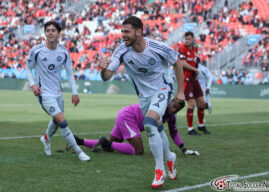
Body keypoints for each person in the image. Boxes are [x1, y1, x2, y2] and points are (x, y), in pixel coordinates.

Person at [100, 16, 185, 188]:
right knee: (158, 128)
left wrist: (181, 91)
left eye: (127, 31)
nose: (123, 35)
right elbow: (107, 77)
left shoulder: (157, 47)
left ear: (138, 32)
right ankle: (169, 157)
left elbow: (178, 63)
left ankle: (159, 170)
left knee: (148, 124)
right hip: (144, 96)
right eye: (122, 31)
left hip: (163, 88)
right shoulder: (121, 51)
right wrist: (103, 68)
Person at [25, 21, 90, 161]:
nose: (50, 32)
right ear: (45, 33)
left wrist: (75, 92)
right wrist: (32, 84)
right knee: (63, 122)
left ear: (58, 33)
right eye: (47, 30)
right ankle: (79, 152)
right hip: (43, 93)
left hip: (58, 92)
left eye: (53, 30)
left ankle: (46, 139)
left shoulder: (63, 52)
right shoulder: (36, 50)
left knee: (56, 120)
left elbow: (69, 73)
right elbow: (28, 68)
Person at [72, 102, 199, 156]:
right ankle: (106, 141)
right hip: (128, 117)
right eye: (173, 106)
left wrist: (184, 149)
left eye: (176, 109)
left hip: (126, 116)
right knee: (138, 151)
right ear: (170, 102)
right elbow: (152, 131)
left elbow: (174, 133)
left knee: (108, 149)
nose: (173, 110)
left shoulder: (172, 117)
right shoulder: (159, 108)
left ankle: (79, 141)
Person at [178, 31, 210, 135]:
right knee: (191, 104)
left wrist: (196, 65)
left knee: (201, 102)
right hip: (186, 79)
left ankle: (201, 125)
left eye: (189, 39)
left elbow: (195, 60)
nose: (186, 41)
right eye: (185, 39)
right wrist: (195, 69)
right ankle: (190, 129)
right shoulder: (182, 48)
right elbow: (183, 63)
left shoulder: (195, 49)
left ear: (193, 40)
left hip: (193, 79)